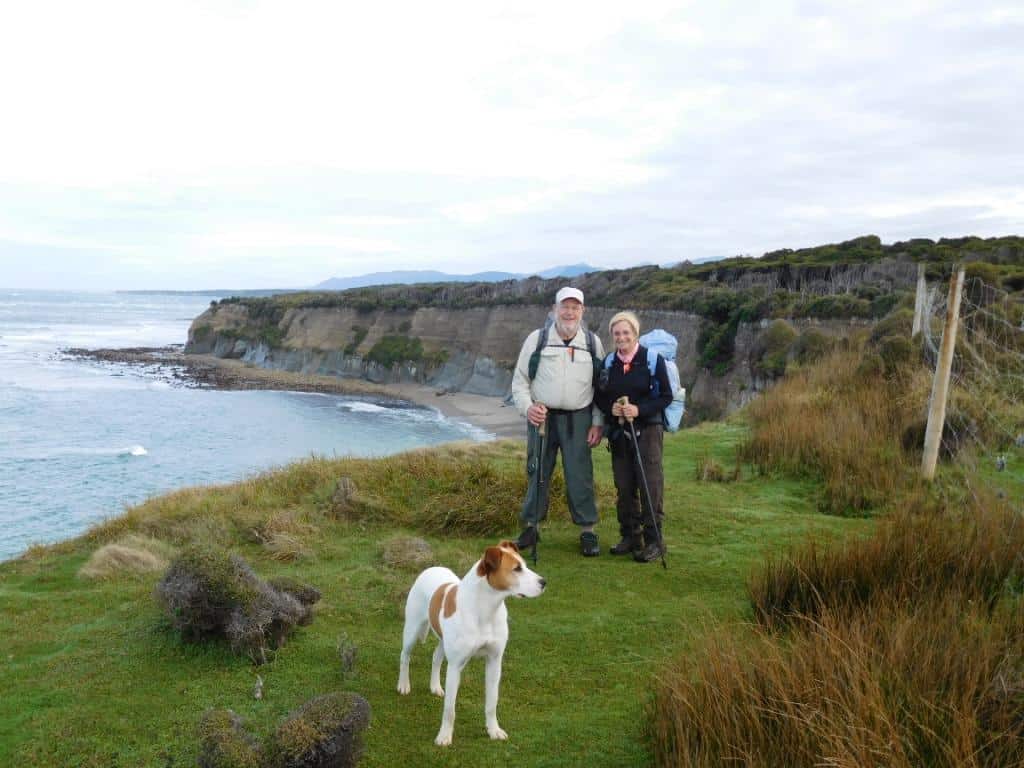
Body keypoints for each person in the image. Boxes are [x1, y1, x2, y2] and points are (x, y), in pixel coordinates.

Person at [510, 286, 605, 556]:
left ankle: (587, 531)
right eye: (565, 306)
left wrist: (597, 422)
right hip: (542, 418)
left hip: (580, 418)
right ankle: (531, 527)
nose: (569, 312)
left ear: (582, 311)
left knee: (580, 476)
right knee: (537, 471)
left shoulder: (592, 342)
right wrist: (528, 408)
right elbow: (520, 381)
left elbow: (601, 388)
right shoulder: (537, 339)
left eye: (575, 307)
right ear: (554, 309)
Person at [594, 311, 672, 563]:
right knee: (624, 486)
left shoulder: (652, 360)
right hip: (620, 433)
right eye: (616, 333)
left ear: (635, 333)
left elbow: (666, 396)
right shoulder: (608, 363)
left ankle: (654, 541)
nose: (621, 337)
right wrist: (611, 409)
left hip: (648, 431)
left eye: (626, 332)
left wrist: (639, 409)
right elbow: (599, 396)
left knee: (650, 485)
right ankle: (630, 536)